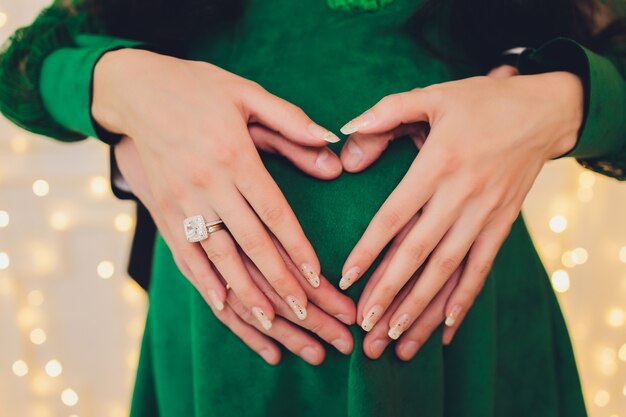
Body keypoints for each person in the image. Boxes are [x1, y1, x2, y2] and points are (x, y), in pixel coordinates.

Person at [1, 0, 624, 415]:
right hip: (223, 346)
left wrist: (556, 103)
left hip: (469, 333)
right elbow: (27, 66)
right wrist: (118, 83)